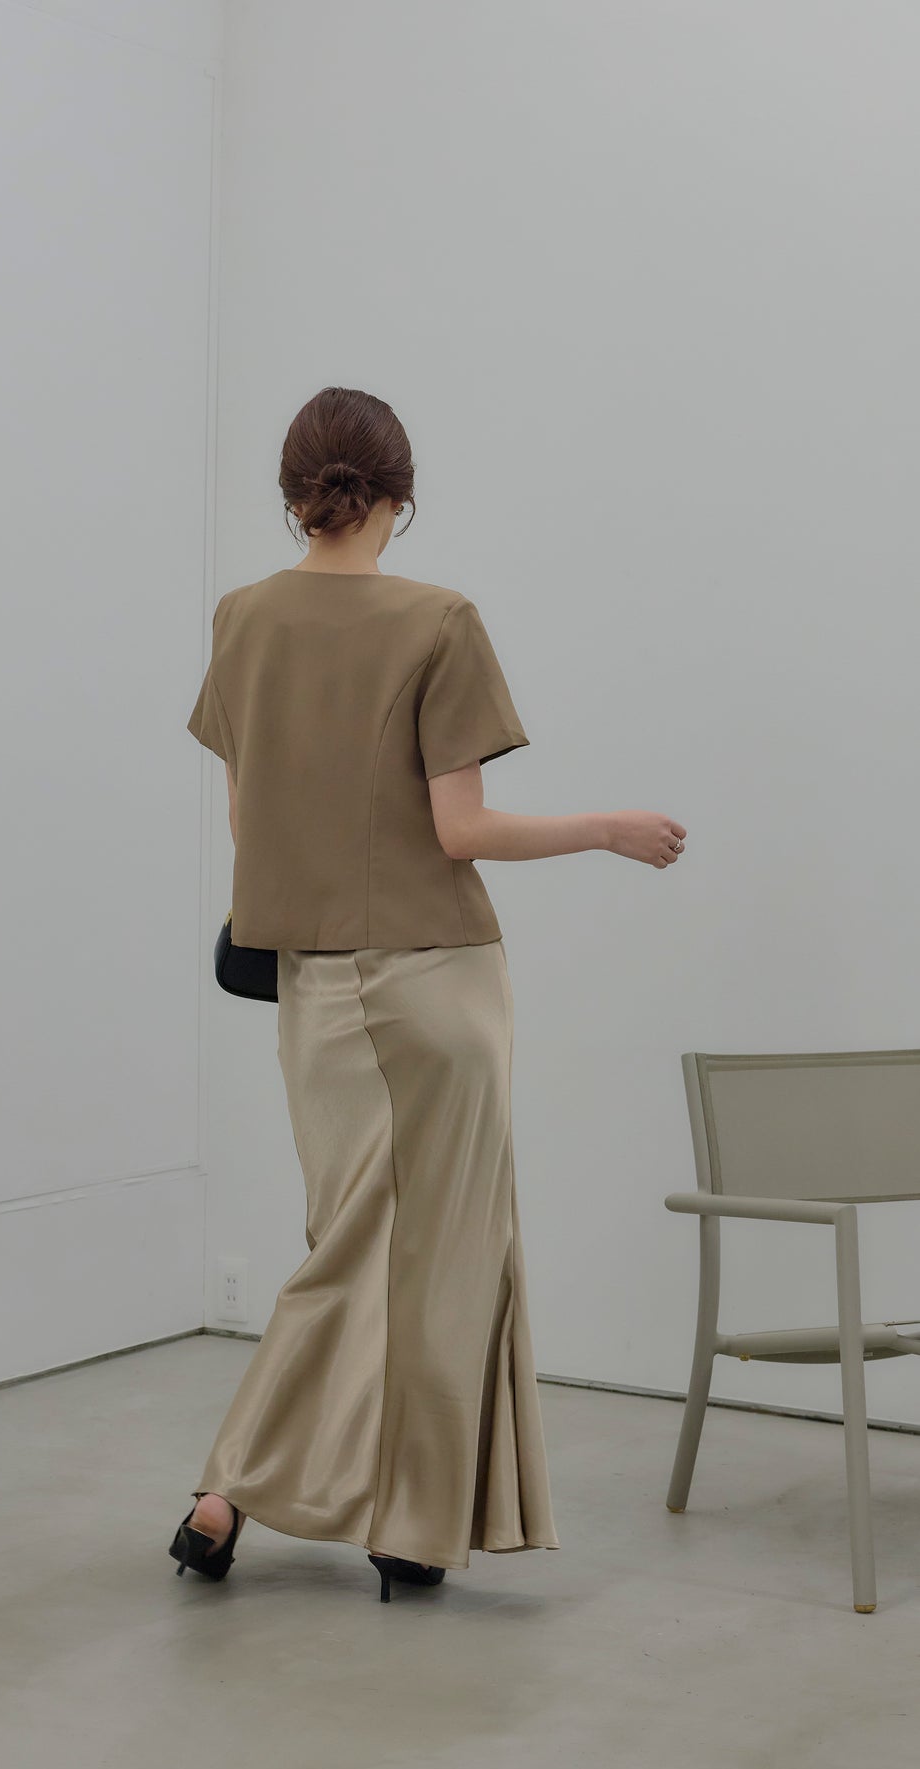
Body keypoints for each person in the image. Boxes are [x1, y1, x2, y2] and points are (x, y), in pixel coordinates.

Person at [170, 385, 687, 1603]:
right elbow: (462, 830)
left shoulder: (242, 620)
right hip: (434, 984)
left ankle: (399, 1521)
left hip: (311, 993)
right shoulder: (438, 620)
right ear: (397, 495)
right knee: (430, 1257)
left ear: (296, 493)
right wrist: (607, 828)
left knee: (354, 1240)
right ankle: (244, 1489)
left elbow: (248, 824)